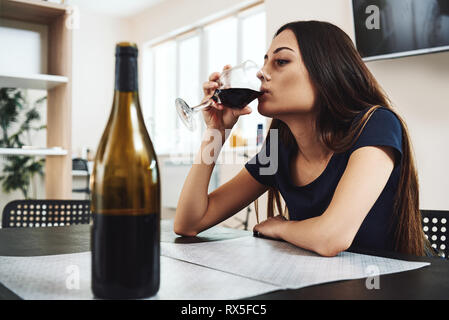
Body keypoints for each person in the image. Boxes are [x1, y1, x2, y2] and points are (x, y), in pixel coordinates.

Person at [174, 20, 429, 257]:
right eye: (264, 63)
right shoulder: (279, 148)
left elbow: (332, 238)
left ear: (326, 70)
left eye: (281, 61)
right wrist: (216, 133)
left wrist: (281, 228)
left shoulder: (375, 124)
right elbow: (189, 223)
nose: (261, 73)